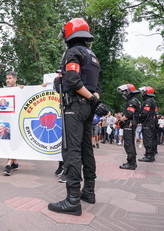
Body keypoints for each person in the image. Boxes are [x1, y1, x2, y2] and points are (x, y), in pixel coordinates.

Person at [48, 18, 108, 216]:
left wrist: (91, 99)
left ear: (69, 34)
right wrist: (94, 101)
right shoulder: (93, 57)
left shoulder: (73, 52)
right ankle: (88, 192)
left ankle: (72, 200)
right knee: (85, 149)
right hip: (88, 107)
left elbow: (73, 79)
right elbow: (94, 87)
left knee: (71, 150)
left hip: (74, 105)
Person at [117, 84, 141, 170]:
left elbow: (129, 114)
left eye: (124, 91)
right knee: (130, 143)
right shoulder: (134, 100)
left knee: (128, 144)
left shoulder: (132, 101)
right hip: (131, 124)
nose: (123, 93)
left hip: (129, 124)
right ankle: (131, 162)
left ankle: (131, 163)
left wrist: (120, 120)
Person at [1, 71, 20, 176]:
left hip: (17, 121)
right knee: (8, 142)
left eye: (9, 78)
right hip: (7, 121)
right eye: (6, 78)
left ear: (15, 79)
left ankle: (9, 164)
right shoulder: (3, 91)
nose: (7, 80)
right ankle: (15, 163)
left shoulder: (21, 89)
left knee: (14, 142)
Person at [138, 86, 158, 162]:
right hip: (152, 122)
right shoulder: (152, 101)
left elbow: (145, 113)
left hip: (148, 122)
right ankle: (151, 154)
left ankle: (149, 155)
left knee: (147, 138)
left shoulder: (148, 101)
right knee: (151, 138)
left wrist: (140, 118)